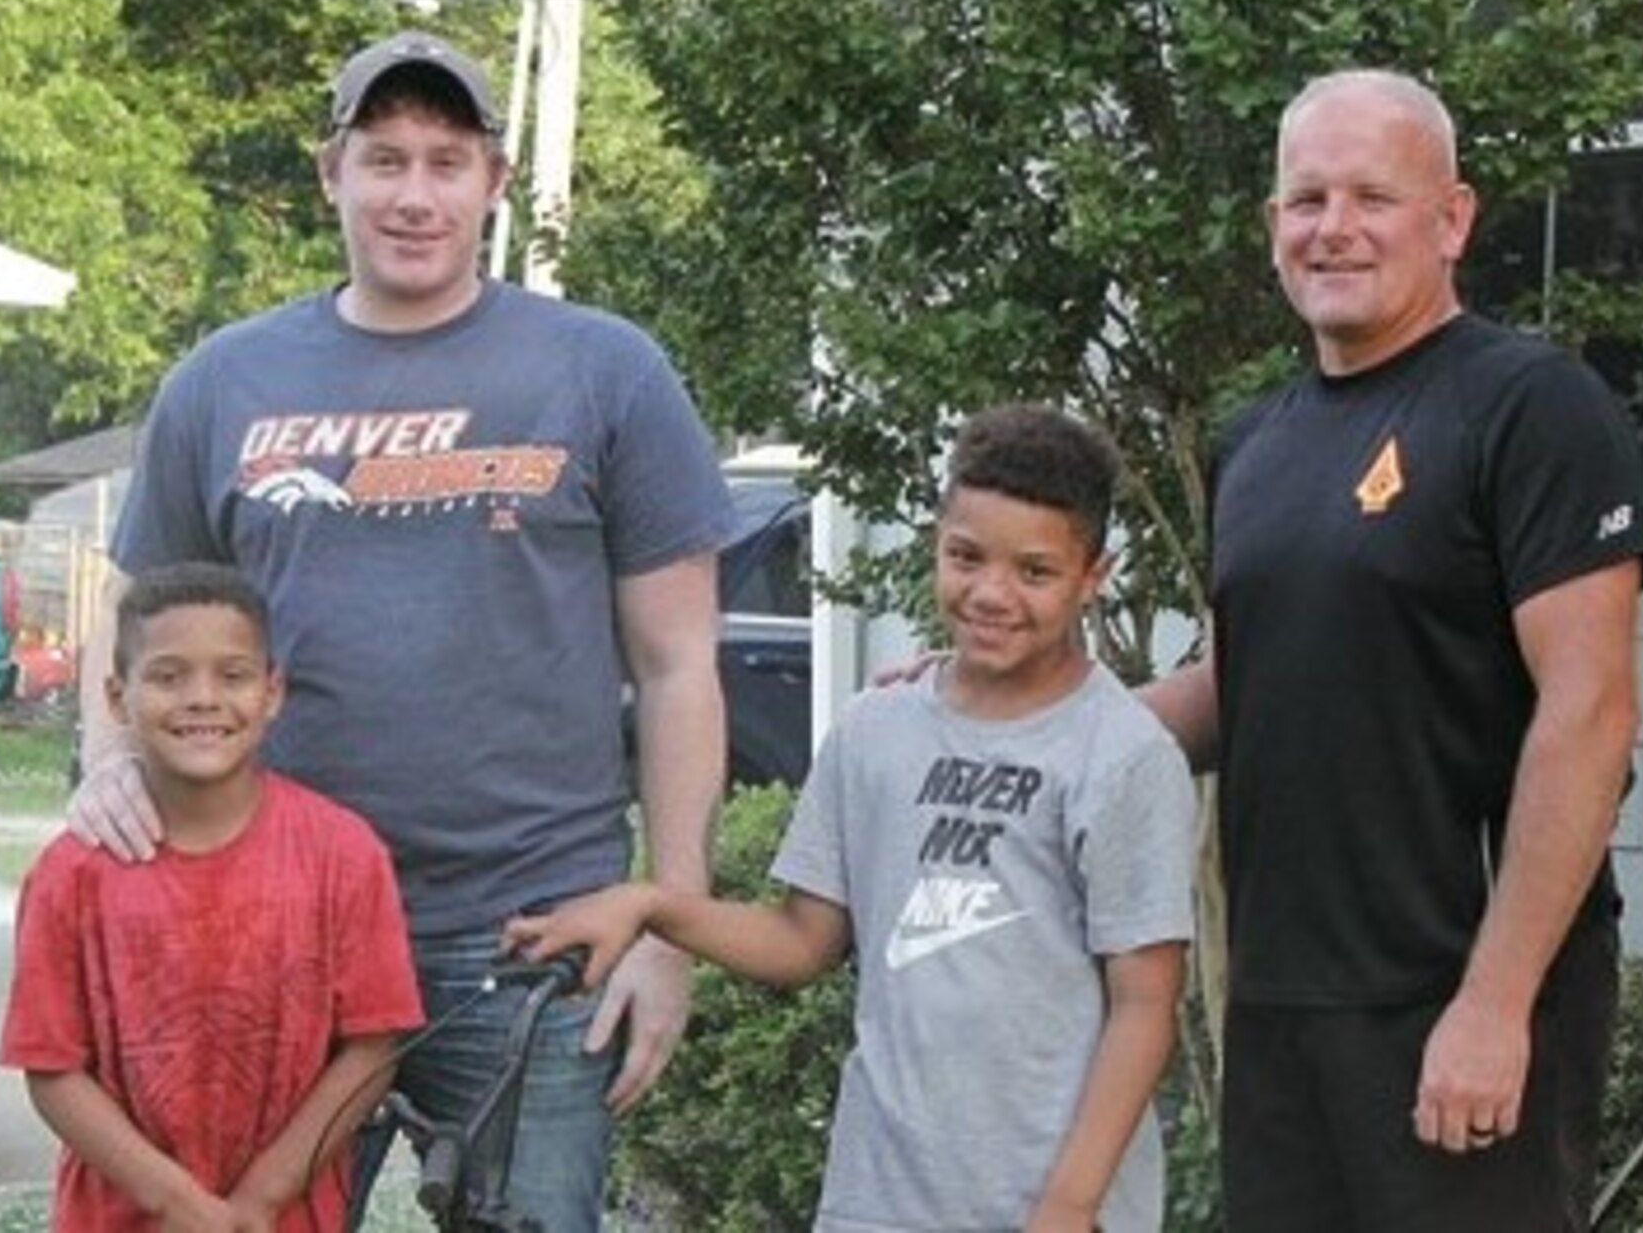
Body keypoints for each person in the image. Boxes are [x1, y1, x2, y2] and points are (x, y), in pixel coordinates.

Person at [67, 29, 734, 1231]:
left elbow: (680, 663)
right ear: (331, 174)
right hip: (274, 931)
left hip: (533, 943)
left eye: (444, 160)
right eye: (383, 160)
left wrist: (670, 923)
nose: (413, 195)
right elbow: (136, 626)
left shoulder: (606, 372)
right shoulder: (223, 383)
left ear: (492, 179)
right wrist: (107, 766)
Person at [1137, 68, 1643, 1232]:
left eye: (1371, 195)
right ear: (1271, 226)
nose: (1332, 227)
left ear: (1451, 217)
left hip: (1453, 1002)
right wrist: (1012, 712)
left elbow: (1591, 711)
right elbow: (1242, 685)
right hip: (1278, 1003)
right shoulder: (1255, 442)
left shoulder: (1530, 408)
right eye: (1305, 198)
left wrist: (1495, 1000)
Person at [508, 403, 1200, 1233]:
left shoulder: (1122, 753)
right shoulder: (877, 728)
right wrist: (653, 905)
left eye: (1036, 572)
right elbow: (802, 941)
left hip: (1052, 1205)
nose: (991, 593)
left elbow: (1145, 1003)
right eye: (966, 556)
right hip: (881, 1197)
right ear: (935, 543)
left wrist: (1069, 1204)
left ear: (1094, 576)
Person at [3, 562, 424, 1231]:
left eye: (233, 675)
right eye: (168, 675)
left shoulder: (345, 854)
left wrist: (259, 1200)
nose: (203, 697)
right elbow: (52, 1068)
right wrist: (177, 1202)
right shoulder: (71, 872)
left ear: (273, 691)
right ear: (116, 697)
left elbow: (375, 1046)